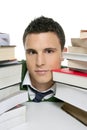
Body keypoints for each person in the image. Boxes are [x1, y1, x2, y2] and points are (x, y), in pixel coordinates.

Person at [21, 16, 66, 102]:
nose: (39, 62)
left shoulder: (78, 82)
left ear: (63, 54)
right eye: (32, 52)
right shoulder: (9, 74)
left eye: (49, 51)